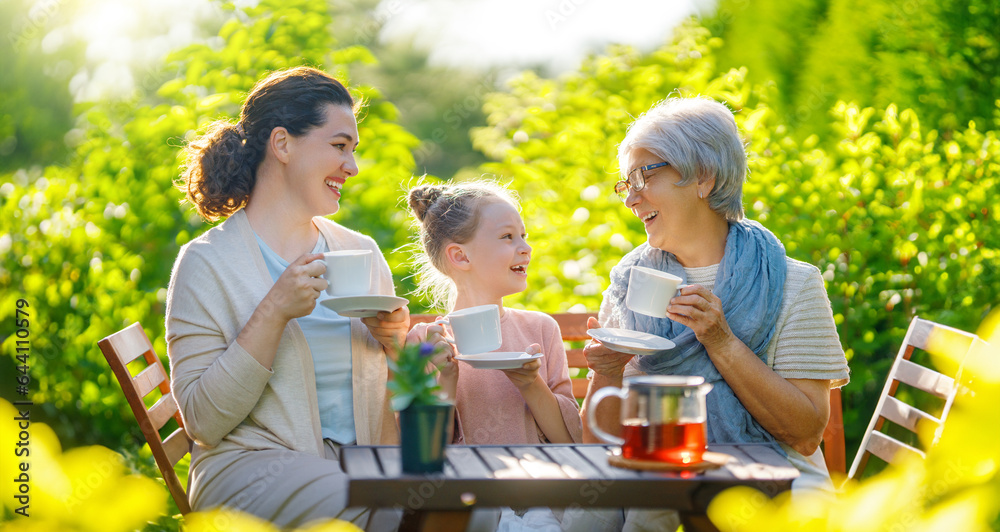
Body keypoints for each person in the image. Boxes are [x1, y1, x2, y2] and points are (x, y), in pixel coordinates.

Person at [580, 96, 850, 530]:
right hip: (659, 472)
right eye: (624, 183)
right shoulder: (630, 282)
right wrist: (607, 373)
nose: (630, 198)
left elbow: (805, 434)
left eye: (643, 176)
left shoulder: (792, 282)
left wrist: (721, 341)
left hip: (780, 477)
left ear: (703, 177)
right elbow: (598, 444)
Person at [165, 66, 406, 530]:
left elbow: (395, 389)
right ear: (282, 144)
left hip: (359, 462)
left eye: (353, 151)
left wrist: (398, 345)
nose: (352, 167)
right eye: (339, 147)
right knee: (396, 508)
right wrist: (274, 311)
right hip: (248, 466)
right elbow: (203, 422)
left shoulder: (361, 253)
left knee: (469, 507)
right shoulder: (207, 263)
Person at [405, 181, 593, 531]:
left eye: (523, 235)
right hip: (465, 502)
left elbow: (569, 441)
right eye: (508, 237)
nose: (526, 248)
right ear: (460, 256)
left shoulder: (541, 329)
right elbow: (424, 457)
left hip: (543, 498)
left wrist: (531, 383)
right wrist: (445, 381)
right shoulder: (425, 341)